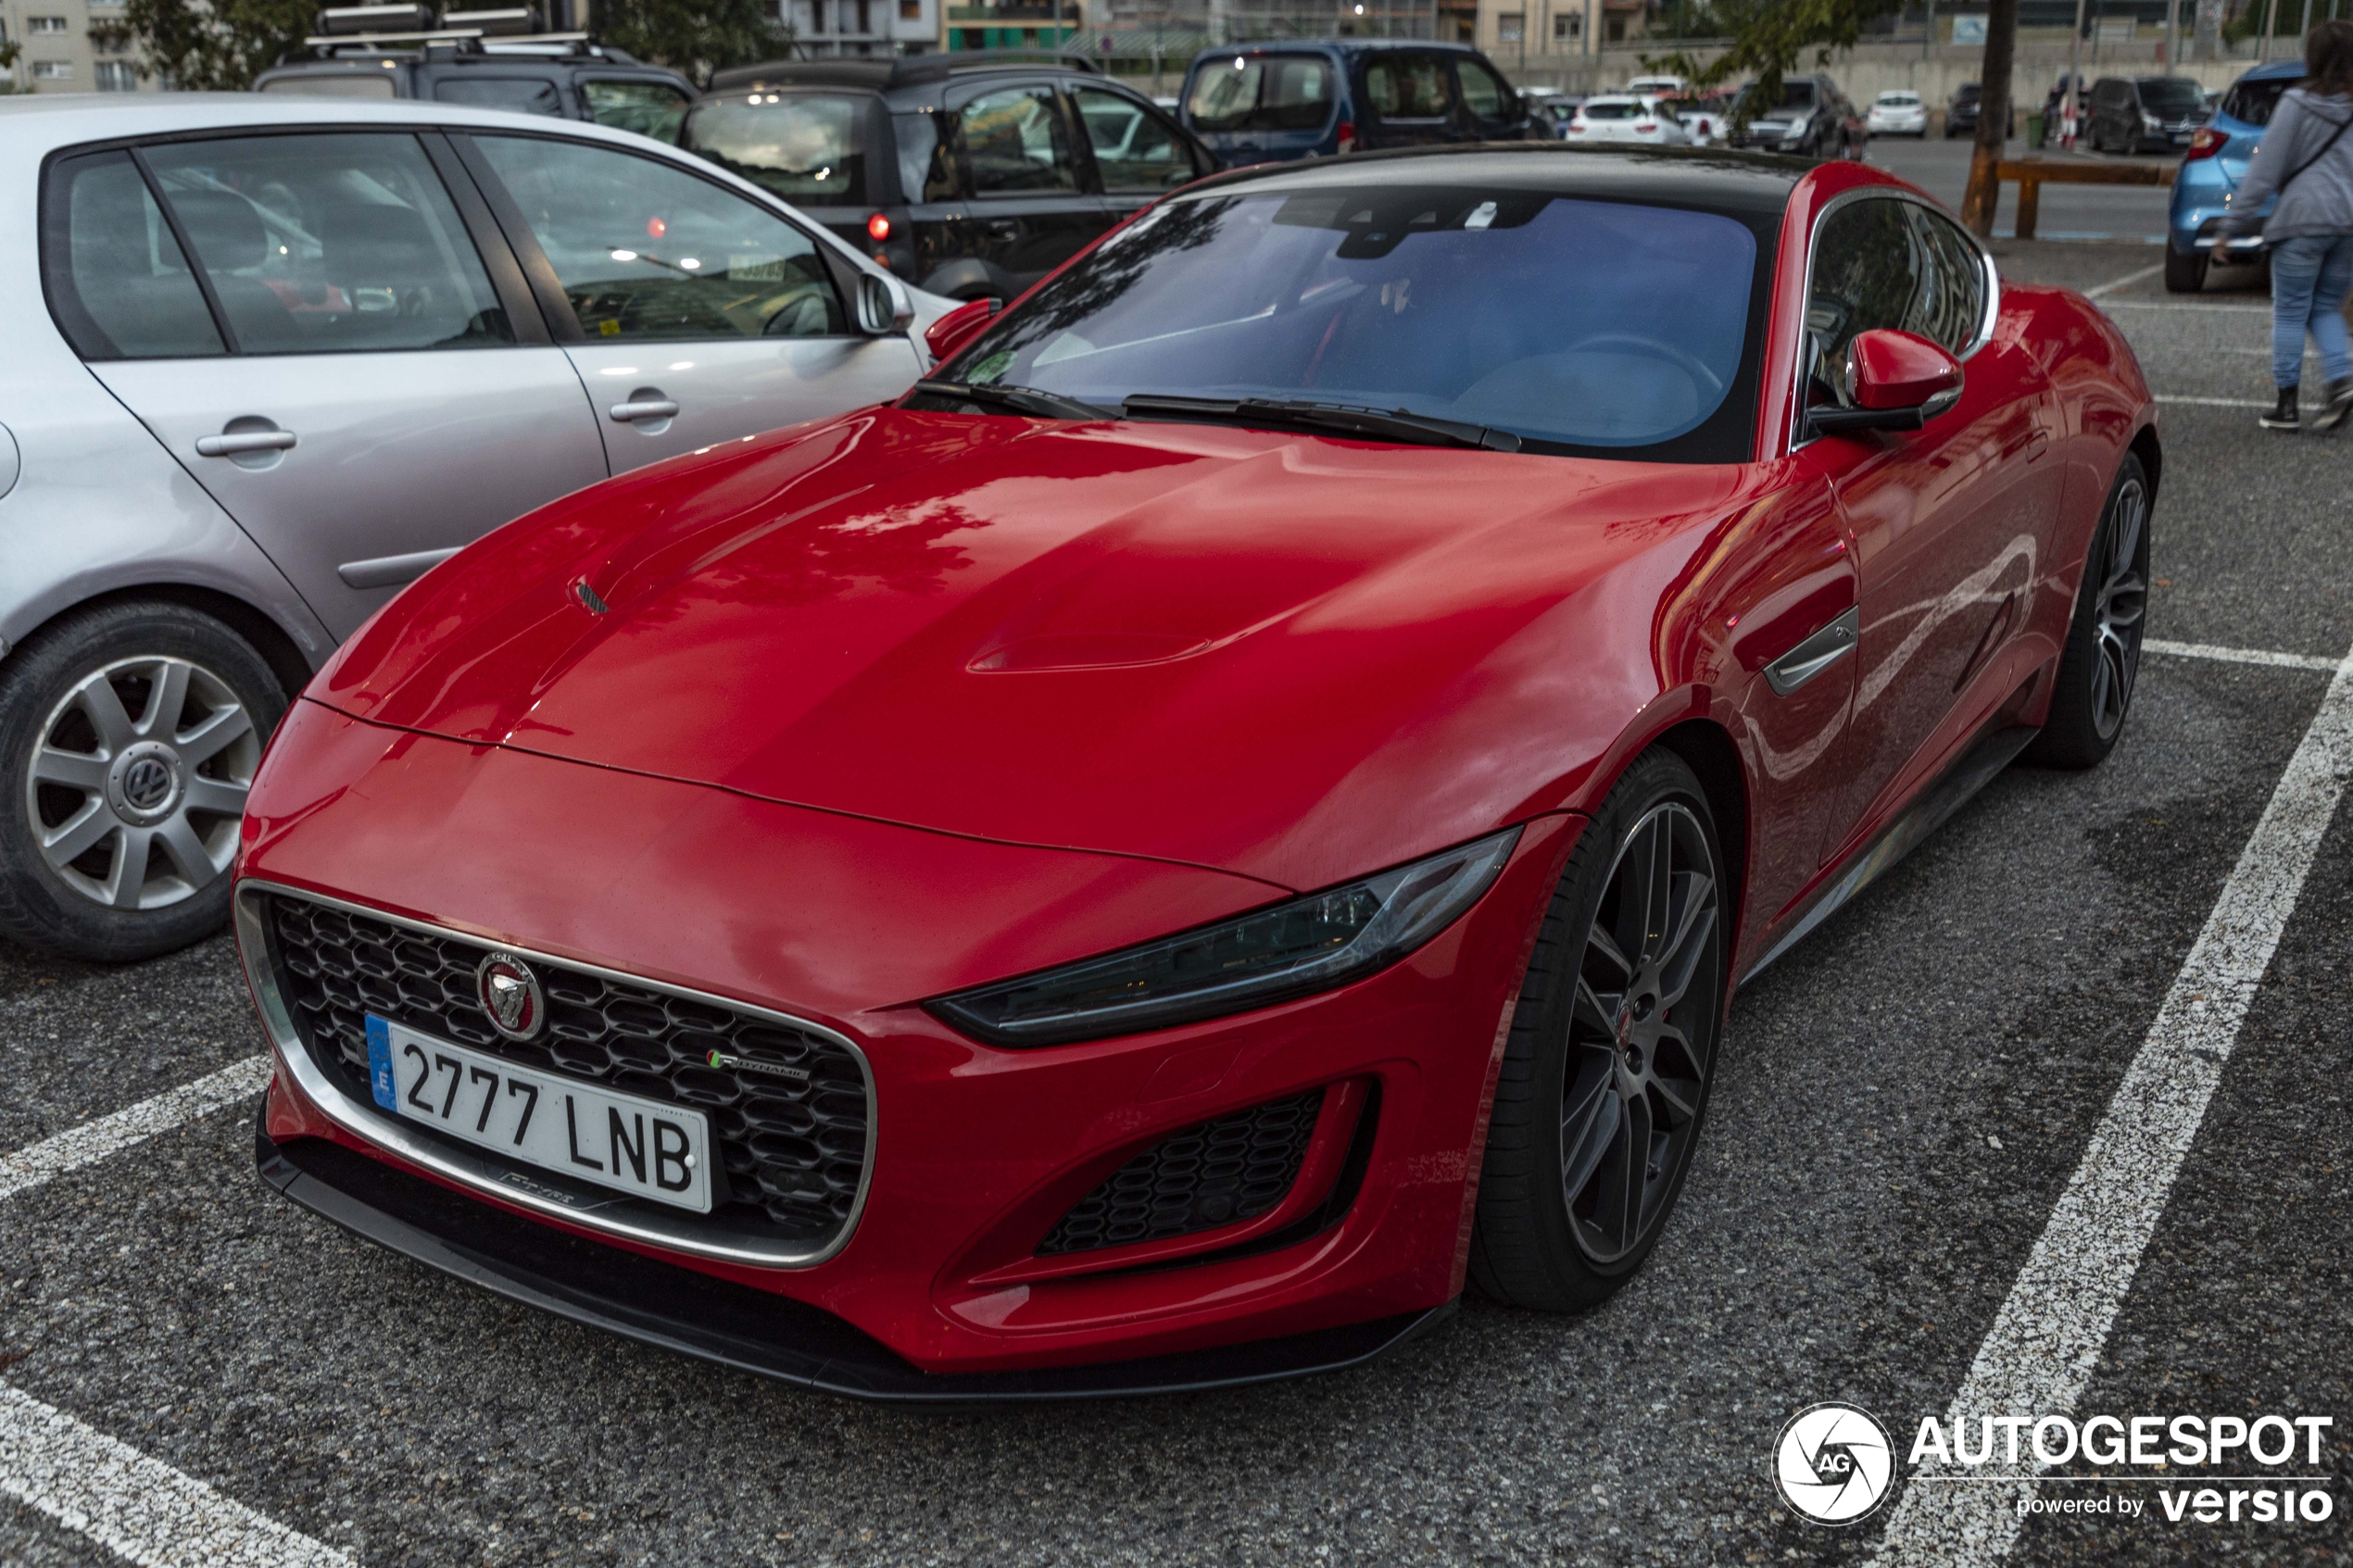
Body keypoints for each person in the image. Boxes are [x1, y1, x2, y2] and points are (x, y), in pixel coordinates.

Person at [2228, 20, 2353, 432]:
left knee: (2291, 311)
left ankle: (2286, 406)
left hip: (2300, 221)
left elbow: (2264, 172)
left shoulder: (2296, 104)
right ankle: (2342, 379)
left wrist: (2232, 226)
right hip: (2347, 225)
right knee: (2326, 306)